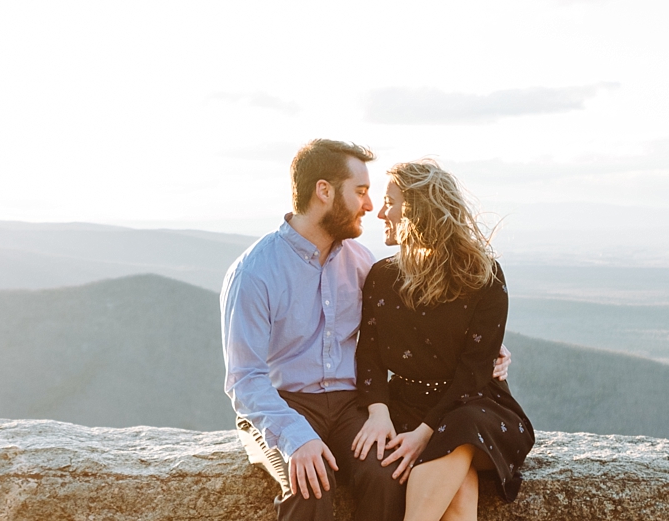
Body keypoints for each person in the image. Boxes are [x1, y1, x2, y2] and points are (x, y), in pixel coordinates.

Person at [220, 140, 511, 521]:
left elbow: (418, 321)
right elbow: (245, 380)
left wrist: (492, 347)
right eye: (360, 192)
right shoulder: (255, 273)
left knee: (388, 473)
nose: (370, 205)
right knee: (310, 484)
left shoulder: (360, 263)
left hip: (347, 405)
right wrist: (296, 438)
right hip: (281, 402)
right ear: (324, 191)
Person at [351, 160, 533, 521]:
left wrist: (424, 433)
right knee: (459, 493)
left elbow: (473, 372)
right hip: (404, 407)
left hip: (475, 409)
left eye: (390, 202)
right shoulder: (382, 276)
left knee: (459, 431)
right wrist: (378, 412)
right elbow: (368, 353)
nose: (381, 213)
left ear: (418, 209)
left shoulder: (484, 275)